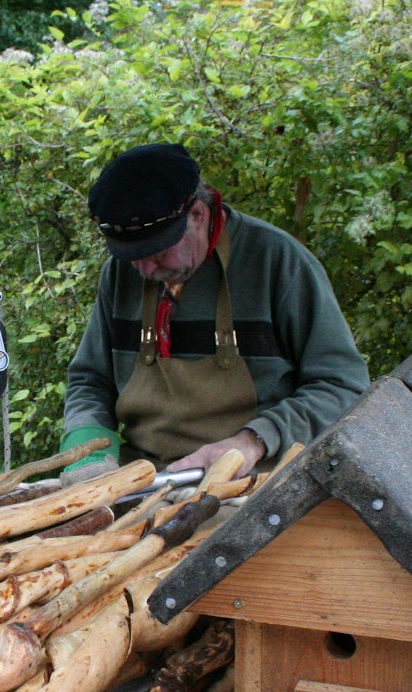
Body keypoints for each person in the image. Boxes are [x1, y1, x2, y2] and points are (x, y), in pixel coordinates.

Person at [61, 143, 368, 482]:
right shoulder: (122, 273)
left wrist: (252, 442)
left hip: (253, 486)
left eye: (157, 251)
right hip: (143, 481)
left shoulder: (279, 263)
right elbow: (90, 380)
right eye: (132, 255)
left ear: (198, 214)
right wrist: (87, 448)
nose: (145, 269)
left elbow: (343, 386)